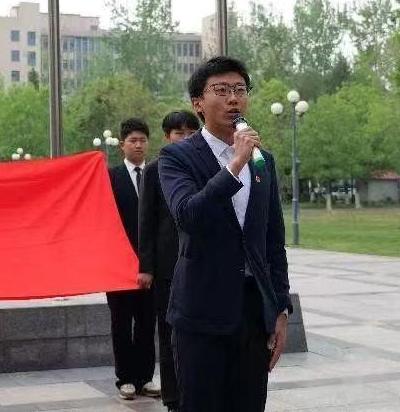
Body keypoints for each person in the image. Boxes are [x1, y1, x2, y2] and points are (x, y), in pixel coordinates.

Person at [158, 56, 292, 412]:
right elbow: (189, 215)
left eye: (240, 90)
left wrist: (280, 308)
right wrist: (235, 164)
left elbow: (272, 241)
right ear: (198, 103)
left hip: (252, 313)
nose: (234, 98)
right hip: (201, 313)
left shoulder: (263, 161)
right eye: (221, 90)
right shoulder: (177, 157)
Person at [138, 110, 201, 412]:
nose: (186, 138)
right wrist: (146, 267)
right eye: (179, 133)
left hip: (200, 262)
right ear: (167, 137)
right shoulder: (154, 170)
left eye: (191, 133)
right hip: (166, 268)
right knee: (168, 333)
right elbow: (146, 222)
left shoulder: (206, 166)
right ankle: (173, 396)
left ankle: (197, 392)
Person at [107, 118, 160, 401]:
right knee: (121, 323)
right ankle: (125, 378)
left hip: (150, 265)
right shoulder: (110, 177)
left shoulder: (157, 174)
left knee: (146, 323)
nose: (138, 145)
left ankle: (145, 377)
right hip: (118, 266)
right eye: (133, 140)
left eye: (142, 140)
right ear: (122, 145)